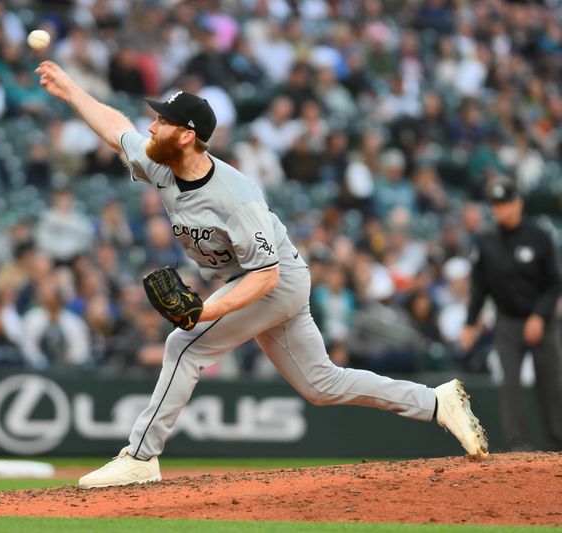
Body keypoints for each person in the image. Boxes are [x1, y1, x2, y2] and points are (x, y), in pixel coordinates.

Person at [34, 60, 488, 489]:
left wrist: (204, 311)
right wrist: (72, 91)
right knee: (321, 384)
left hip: (277, 280)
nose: (152, 126)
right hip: (254, 280)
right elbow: (120, 133)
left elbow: (266, 277)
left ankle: (139, 459)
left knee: (184, 345)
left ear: (188, 136)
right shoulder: (160, 160)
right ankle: (436, 402)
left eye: (163, 121)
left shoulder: (235, 196)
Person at [461, 178, 562, 451]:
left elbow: (555, 282)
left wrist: (540, 315)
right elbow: (479, 287)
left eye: (504, 203)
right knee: (510, 386)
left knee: (550, 385)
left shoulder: (539, 235)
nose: (499, 209)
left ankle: (558, 445)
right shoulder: (486, 241)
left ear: (518, 203)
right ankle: (519, 449)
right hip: (507, 322)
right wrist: (470, 323)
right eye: (495, 204)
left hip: (542, 322)